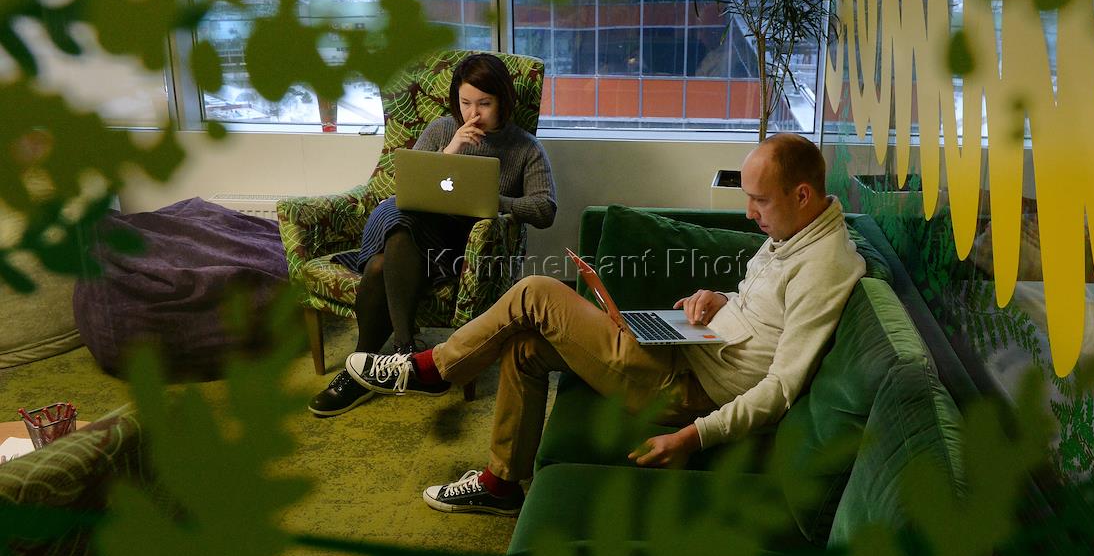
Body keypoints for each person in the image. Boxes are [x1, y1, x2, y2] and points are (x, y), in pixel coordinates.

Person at [345, 134, 865, 515]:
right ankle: (500, 486)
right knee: (524, 348)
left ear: (801, 195)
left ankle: (431, 369)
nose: (749, 213)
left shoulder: (824, 266)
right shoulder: (793, 232)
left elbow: (781, 388)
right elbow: (763, 313)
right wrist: (717, 299)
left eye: (759, 200)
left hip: (690, 388)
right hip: (688, 349)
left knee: (536, 292)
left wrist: (693, 437)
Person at [309, 53, 556, 417]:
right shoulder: (442, 129)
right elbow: (407, 188)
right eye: (466, 103)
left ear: (503, 100)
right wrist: (451, 151)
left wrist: (493, 200)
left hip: (463, 252)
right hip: (413, 240)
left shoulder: (525, 148)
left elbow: (545, 209)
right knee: (398, 222)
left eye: (484, 104)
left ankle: (361, 369)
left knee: (381, 262)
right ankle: (404, 352)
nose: (473, 114)